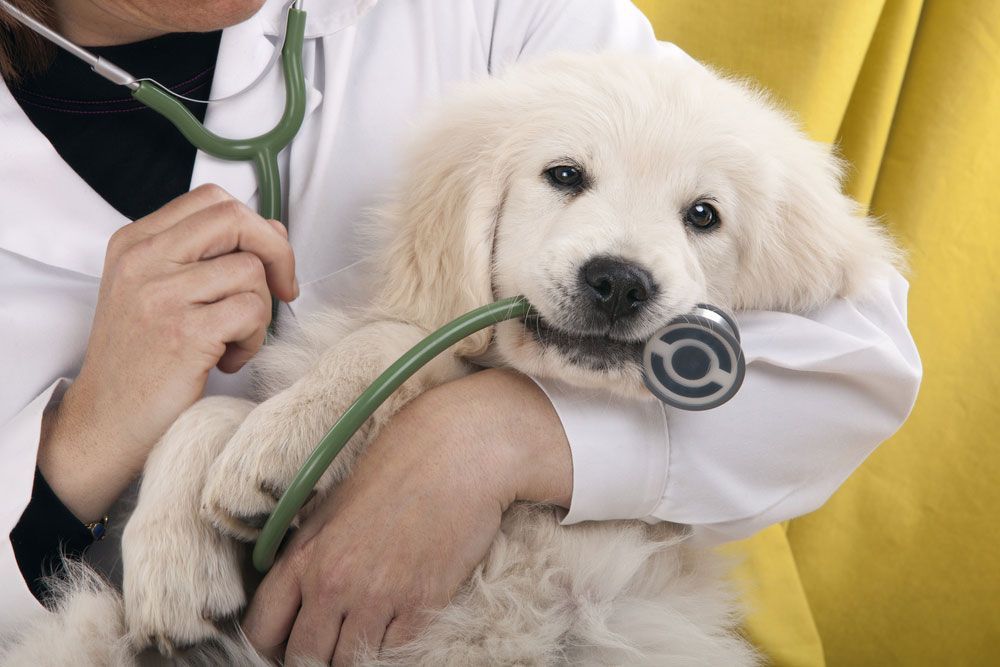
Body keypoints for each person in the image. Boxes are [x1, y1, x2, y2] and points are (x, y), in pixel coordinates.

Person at [0, 0, 922, 663]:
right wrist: (79, 449)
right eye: (566, 177)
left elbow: (852, 350)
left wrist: (493, 439)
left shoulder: (489, 16)